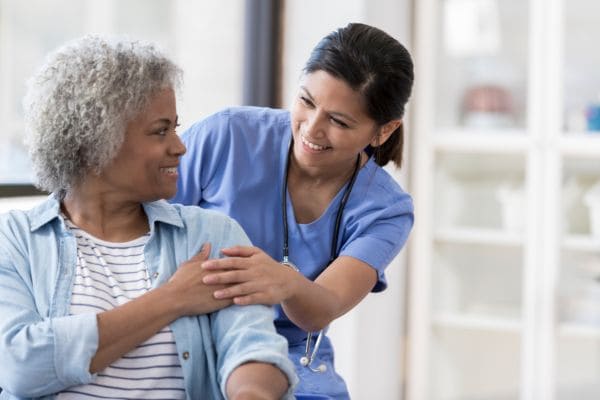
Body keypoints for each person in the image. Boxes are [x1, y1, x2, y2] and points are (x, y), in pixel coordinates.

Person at [0, 35, 297, 400]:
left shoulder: (210, 235)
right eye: (160, 131)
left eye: (176, 126)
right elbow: (19, 366)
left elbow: (252, 345)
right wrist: (172, 298)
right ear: (95, 144)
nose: (180, 145)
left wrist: (252, 393)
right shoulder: (15, 240)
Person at [171, 22, 414, 399]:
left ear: (383, 131)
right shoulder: (229, 135)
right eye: (306, 101)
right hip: (187, 329)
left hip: (291, 354)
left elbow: (322, 309)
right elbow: (141, 223)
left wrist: (284, 281)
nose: (312, 129)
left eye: (338, 121)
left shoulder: (386, 210)